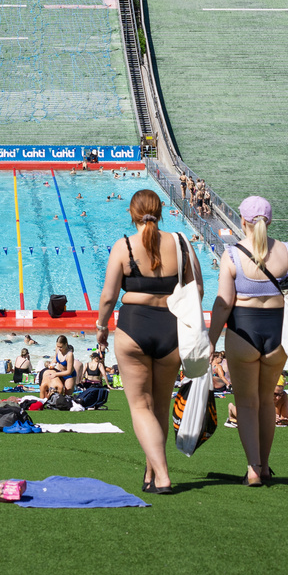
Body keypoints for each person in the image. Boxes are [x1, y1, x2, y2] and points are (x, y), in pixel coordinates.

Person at [94, 189, 190, 494]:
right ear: (160, 212)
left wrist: (101, 328)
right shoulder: (179, 244)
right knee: (160, 406)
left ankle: (161, 475)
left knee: (139, 406)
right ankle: (151, 473)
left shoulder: (124, 247)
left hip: (134, 326)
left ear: (132, 214)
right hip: (172, 328)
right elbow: (195, 286)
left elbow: (109, 296)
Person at [206, 197, 288, 487]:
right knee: (267, 401)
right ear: (270, 221)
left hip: (243, 333)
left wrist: (210, 341)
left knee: (246, 403)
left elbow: (222, 305)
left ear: (242, 221)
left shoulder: (232, 255)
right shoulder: (286, 254)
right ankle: (265, 466)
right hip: (278, 336)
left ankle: (254, 468)